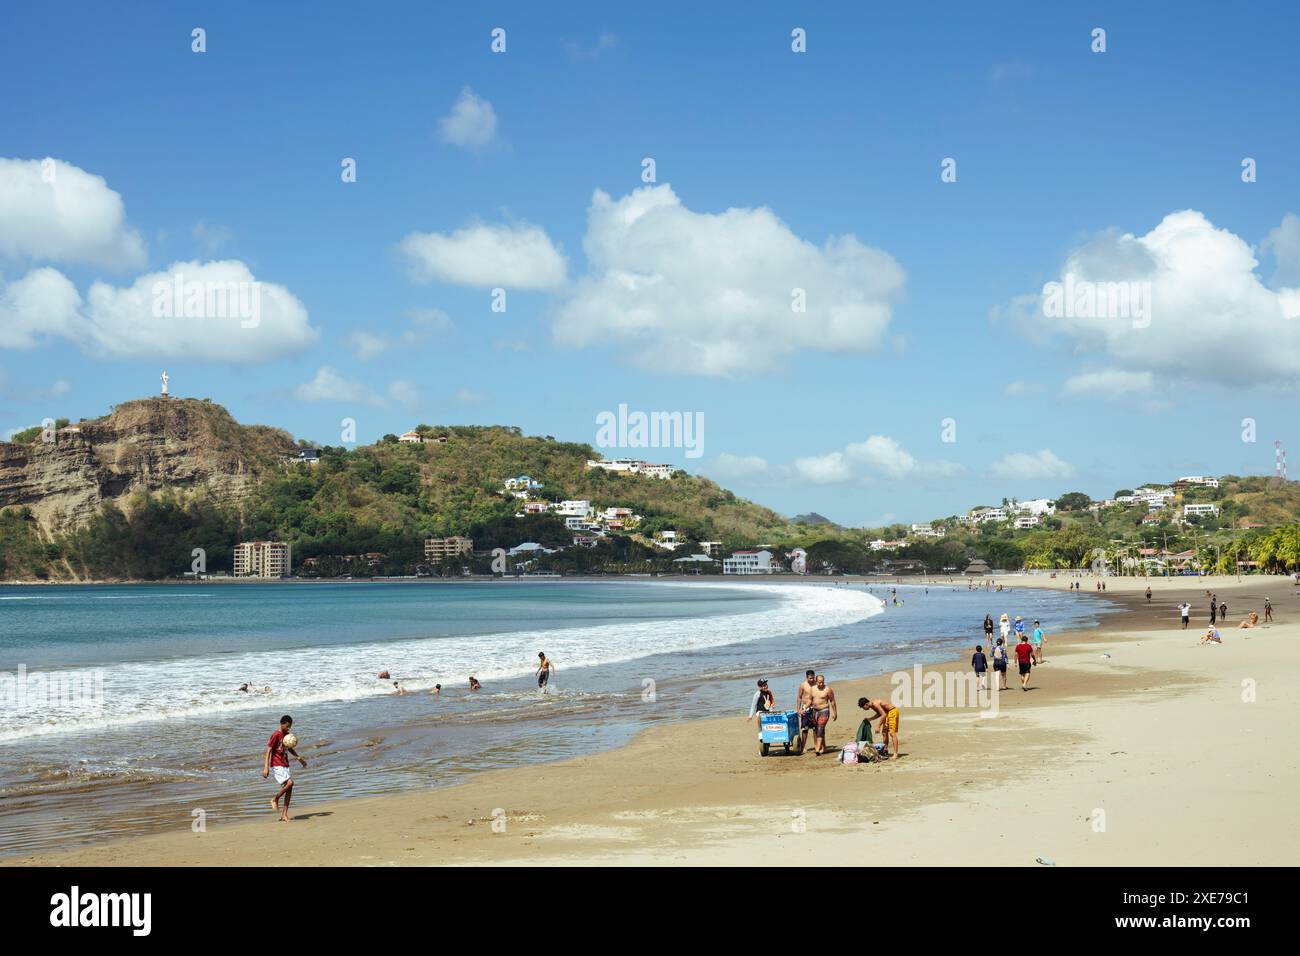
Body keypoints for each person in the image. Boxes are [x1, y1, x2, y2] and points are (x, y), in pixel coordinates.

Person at [263, 714, 307, 823]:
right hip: (277, 764)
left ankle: (284, 815)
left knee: (289, 788)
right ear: (282, 724)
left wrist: (298, 758)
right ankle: (275, 798)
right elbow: (268, 750)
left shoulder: (287, 735)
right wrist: (266, 767)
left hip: (285, 764)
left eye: (290, 727)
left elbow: (290, 748)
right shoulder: (276, 735)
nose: (288, 728)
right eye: (287, 726)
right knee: (290, 783)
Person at [807, 674, 837, 756]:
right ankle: (824, 748)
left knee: (820, 727)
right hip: (815, 711)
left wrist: (835, 713)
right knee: (818, 729)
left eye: (822, 682)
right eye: (819, 682)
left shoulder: (828, 689)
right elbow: (810, 700)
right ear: (816, 682)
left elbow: (832, 701)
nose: (821, 684)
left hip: (824, 710)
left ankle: (817, 749)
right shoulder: (812, 689)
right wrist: (804, 707)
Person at [795, 669, 817, 750]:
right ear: (806, 677)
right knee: (804, 729)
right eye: (810, 678)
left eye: (813, 678)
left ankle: (816, 746)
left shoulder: (816, 684)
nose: (812, 680)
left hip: (815, 708)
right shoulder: (803, 685)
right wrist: (798, 709)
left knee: (815, 728)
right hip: (805, 709)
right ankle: (803, 747)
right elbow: (799, 697)